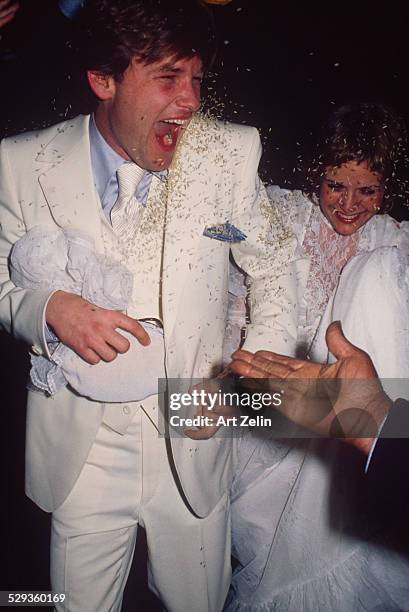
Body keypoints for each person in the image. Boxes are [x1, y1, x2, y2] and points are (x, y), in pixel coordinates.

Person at [0, 1, 306, 610]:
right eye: (168, 77)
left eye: (196, 77)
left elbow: (273, 262)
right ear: (103, 79)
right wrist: (46, 307)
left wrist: (242, 377)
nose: (190, 100)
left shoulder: (226, 154)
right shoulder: (19, 163)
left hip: (193, 439)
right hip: (80, 450)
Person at [224, 103, 409, 612]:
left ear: (386, 188)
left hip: (340, 435)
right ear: (314, 176)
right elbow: (210, 242)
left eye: (367, 190)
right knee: (257, 550)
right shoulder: (277, 216)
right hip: (264, 411)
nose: (349, 205)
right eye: (335, 186)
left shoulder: (394, 243)